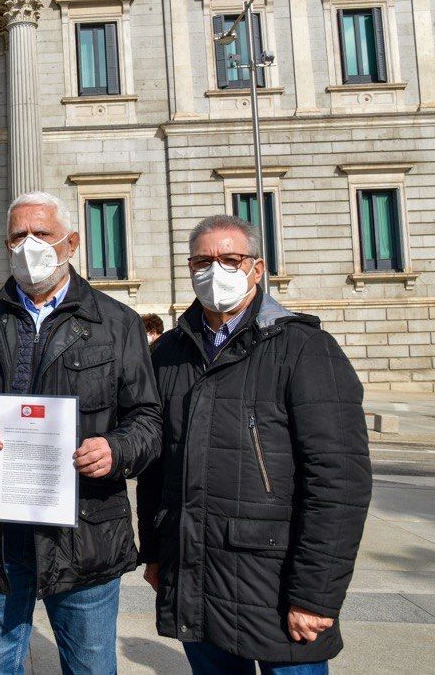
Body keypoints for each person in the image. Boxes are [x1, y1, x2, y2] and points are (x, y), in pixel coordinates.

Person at [0, 191, 161, 675]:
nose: (28, 245)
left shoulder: (116, 323)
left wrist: (115, 450)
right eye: (19, 235)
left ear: (72, 242)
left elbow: (148, 419)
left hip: (84, 533)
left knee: (90, 666)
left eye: (41, 233)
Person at [137, 215, 372, 675]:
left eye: (230, 259)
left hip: (279, 588)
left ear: (258, 269)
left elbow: (339, 483)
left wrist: (315, 594)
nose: (214, 270)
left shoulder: (305, 348)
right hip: (196, 578)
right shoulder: (168, 354)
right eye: (203, 261)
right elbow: (156, 469)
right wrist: (157, 552)